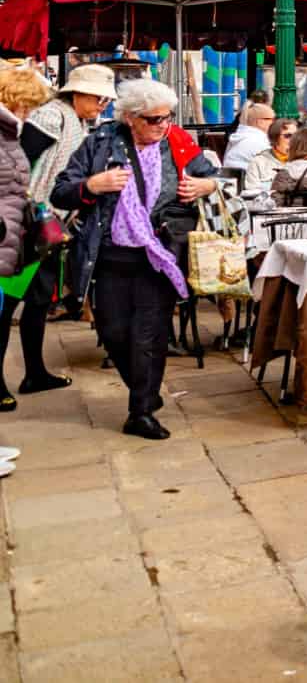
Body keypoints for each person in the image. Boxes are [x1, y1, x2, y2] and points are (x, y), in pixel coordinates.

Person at [52, 79, 219, 440]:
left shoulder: (177, 140)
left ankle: (140, 411)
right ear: (129, 118)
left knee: (148, 335)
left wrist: (205, 187)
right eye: (153, 119)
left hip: (159, 256)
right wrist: (92, 186)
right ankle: (145, 392)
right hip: (109, 256)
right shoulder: (98, 144)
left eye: (166, 117)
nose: (162, 125)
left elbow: (215, 179)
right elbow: (62, 190)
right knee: (113, 333)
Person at [0, 65, 63, 419]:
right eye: (28, 105)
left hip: (20, 230)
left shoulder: (14, 129)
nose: (30, 113)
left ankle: (35, 373)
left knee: (30, 301)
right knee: (5, 308)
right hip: (10, 234)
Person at [24, 64, 113, 317]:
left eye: (106, 99)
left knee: (39, 299)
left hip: (51, 223)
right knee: (16, 298)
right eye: (99, 97)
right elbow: (21, 159)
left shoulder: (79, 122)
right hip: (31, 218)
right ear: (77, 94)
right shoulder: (51, 116)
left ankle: (34, 359)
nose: (103, 104)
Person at [243, 119, 297, 198]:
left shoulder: (303, 161)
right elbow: (251, 193)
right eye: (288, 136)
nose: (294, 140)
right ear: (274, 138)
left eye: (296, 136)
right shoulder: (258, 162)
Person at [222, 101, 275, 175]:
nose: (274, 123)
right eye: (272, 119)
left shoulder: (242, 136)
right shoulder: (258, 141)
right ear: (260, 122)